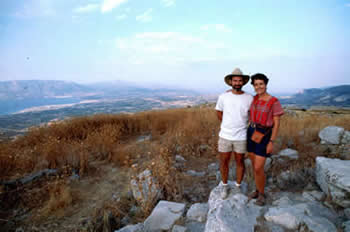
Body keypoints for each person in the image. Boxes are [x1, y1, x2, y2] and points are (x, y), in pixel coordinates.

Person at [215, 68, 253, 199]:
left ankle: (237, 186)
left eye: (239, 80)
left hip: (241, 136)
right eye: (235, 80)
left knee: (240, 162)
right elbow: (219, 112)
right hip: (225, 135)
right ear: (230, 82)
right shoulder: (223, 96)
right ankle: (224, 186)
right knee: (224, 162)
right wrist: (228, 124)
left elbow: (252, 115)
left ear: (243, 82)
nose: (237, 83)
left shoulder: (249, 98)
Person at [247, 73, 284, 205]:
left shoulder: (274, 101)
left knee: (258, 167)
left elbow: (277, 123)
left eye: (261, 84)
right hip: (251, 131)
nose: (258, 86)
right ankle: (257, 189)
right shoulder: (254, 99)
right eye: (256, 84)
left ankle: (262, 194)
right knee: (253, 164)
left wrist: (271, 141)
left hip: (264, 134)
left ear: (266, 84)